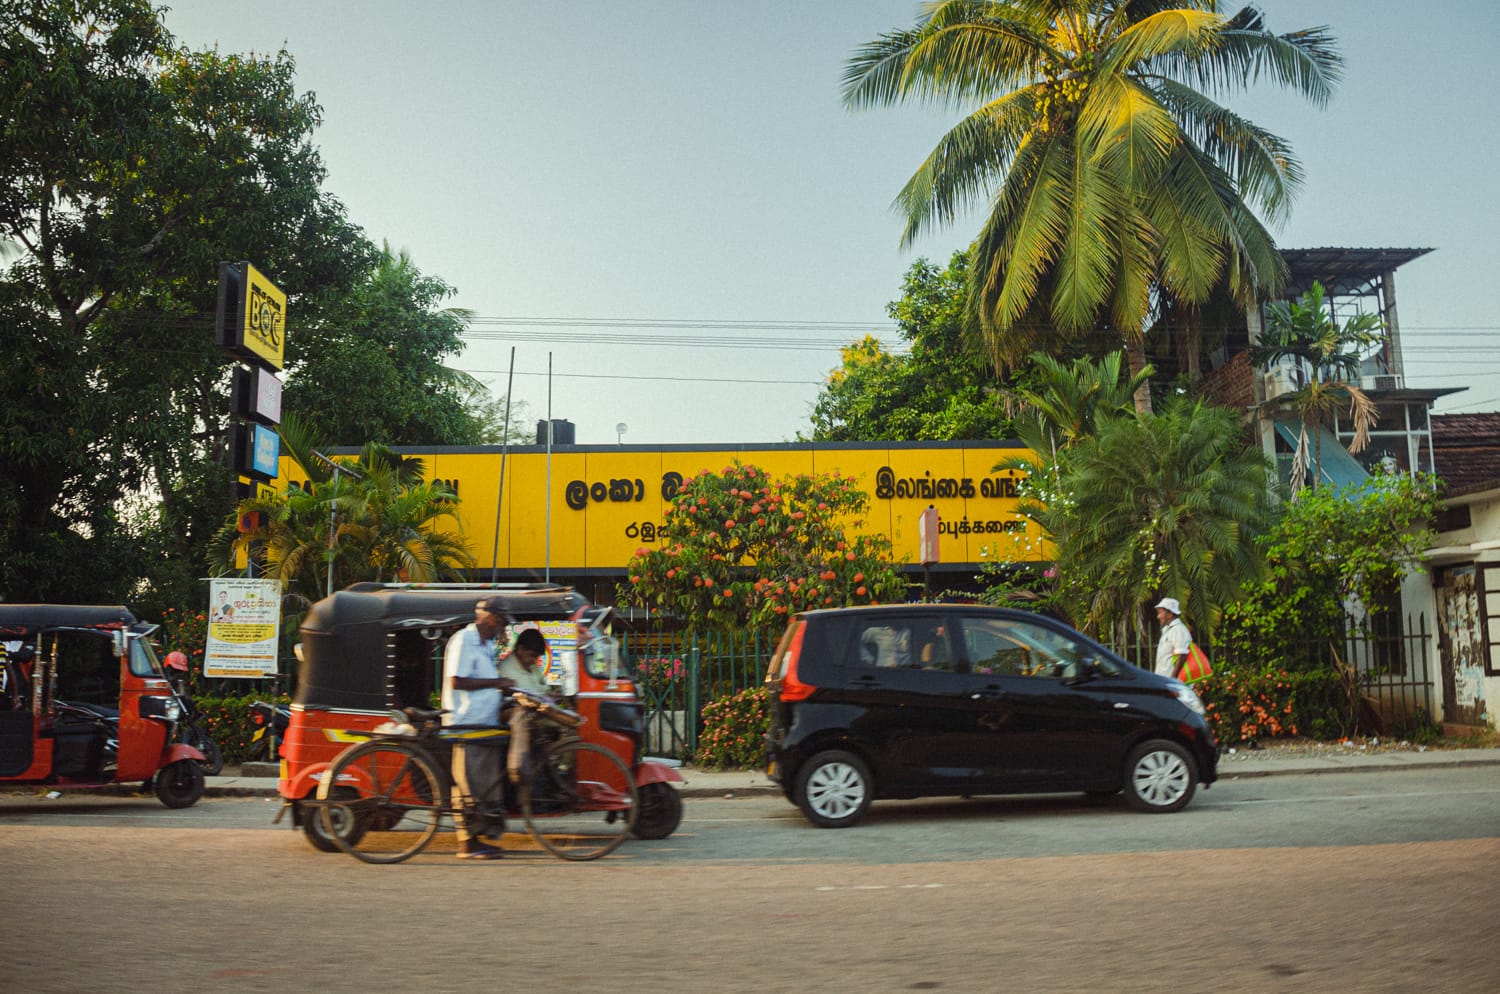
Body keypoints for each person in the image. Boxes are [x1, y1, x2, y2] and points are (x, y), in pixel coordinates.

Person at [441, 596, 511, 860]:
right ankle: (467, 843)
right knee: (467, 784)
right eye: (501, 621)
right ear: (490, 618)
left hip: (485, 721)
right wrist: (495, 684)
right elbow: (457, 681)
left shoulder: (486, 644)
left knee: (483, 784)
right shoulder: (464, 640)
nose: (502, 626)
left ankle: (480, 837)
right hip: (466, 722)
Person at [498, 628, 551, 784]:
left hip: (539, 710)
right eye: (531, 656)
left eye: (536, 657)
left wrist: (553, 695)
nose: (534, 660)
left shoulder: (532, 667)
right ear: (520, 649)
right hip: (519, 715)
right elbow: (524, 696)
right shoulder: (507, 668)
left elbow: (542, 689)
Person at [1153, 597, 1193, 679]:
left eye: (1160, 613)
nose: (1158, 616)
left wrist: (1173, 680)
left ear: (1170, 614)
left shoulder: (1178, 630)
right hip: (1165, 680)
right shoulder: (1168, 630)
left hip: (1174, 683)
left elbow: (1182, 656)